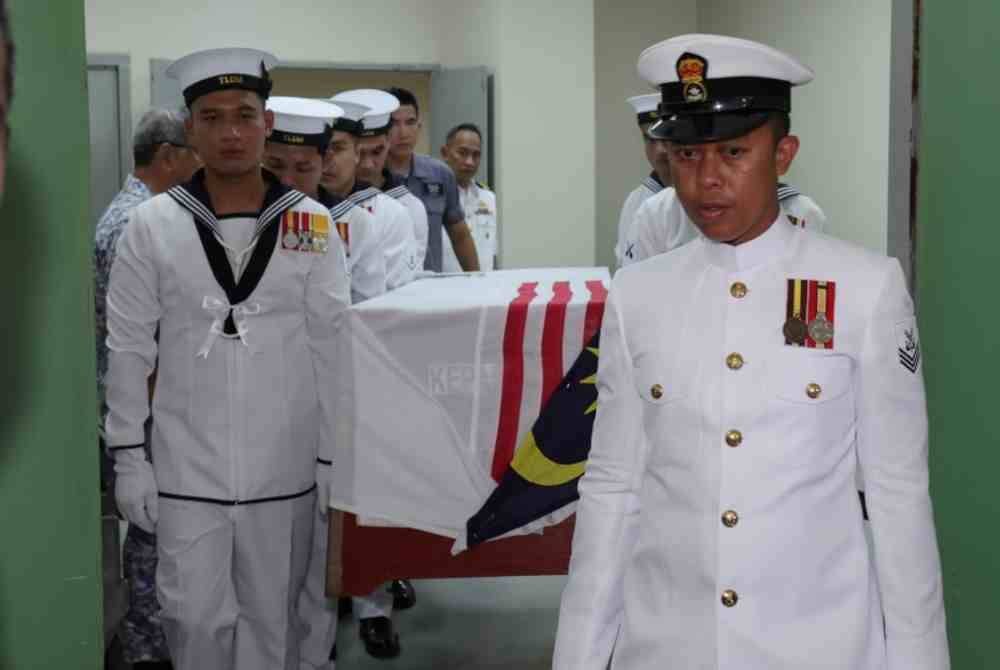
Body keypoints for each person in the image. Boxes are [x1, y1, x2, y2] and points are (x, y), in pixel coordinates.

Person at [554, 34, 949, 670]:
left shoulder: (864, 289)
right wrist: (577, 654)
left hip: (816, 644)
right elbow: (613, 487)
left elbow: (897, 495)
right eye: (686, 154)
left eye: (734, 152)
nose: (706, 180)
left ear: (783, 153)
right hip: (666, 644)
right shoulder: (638, 295)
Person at [103, 48, 351, 670]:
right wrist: (128, 454)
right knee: (192, 625)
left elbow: (333, 347)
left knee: (274, 627)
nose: (231, 131)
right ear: (191, 131)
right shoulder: (152, 226)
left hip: (285, 471)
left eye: (244, 114)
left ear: (265, 123)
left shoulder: (311, 224)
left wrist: (333, 458)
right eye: (212, 117)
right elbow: (128, 347)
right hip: (187, 472)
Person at [93, 107, 200, 670]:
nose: (199, 166)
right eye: (193, 153)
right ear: (168, 157)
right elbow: (135, 341)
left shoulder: (138, 214)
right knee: (150, 546)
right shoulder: (137, 224)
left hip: (149, 409)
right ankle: (145, 655)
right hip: (144, 415)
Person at [264, 96, 386, 303]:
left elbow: (368, 306)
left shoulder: (354, 222)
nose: (286, 180)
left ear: (326, 161)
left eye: (303, 168)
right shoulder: (239, 211)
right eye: (275, 166)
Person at [320, 97, 417, 291]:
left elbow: (395, 295)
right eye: (321, 149)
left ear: (356, 152)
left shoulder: (390, 214)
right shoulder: (295, 209)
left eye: (338, 148)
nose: (327, 160)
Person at [620, 179, 826, 266]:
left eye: (734, 152)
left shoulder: (802, 212)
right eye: (690, 153)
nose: (710, 175)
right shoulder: (658, 210)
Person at [333, 89, 430, 271]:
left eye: (377, 152)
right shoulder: (314, 197)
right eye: (360, 153)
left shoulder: (409, 208)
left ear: (388, 143)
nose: (368, 165)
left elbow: (405, 286)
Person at [384, 86, 479, 272]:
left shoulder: (440, 174)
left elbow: (460, 236)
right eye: (394, 124)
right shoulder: (368, 176)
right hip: (384, 291)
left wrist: (478, 281)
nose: (403, 133)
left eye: (410, 122)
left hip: (429, 289)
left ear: (419, 127)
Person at [613, 93, 671, 267]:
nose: (660, 149)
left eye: (667, 137)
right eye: (650, 139)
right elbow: (626, 272)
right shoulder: (637, 201)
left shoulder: (711, 193)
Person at [440, 122, 496, 272]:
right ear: (445, 153)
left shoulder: (489, 199)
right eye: (463, 153)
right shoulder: (433, 198)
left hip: (483, 289)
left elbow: (494, 254)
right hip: (443, 289)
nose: (470, 161)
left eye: (476, 155)